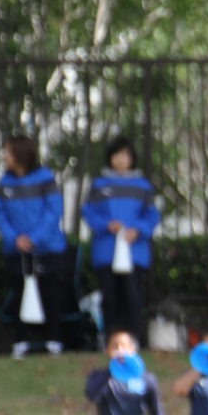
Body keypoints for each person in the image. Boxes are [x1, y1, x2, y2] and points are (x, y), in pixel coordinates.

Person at [82, 136, 161, 342]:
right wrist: (107, 224)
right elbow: (89, 212)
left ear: (132, 158)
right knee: (110, 296)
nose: (121, 160)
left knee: (132, 296)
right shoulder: (99, 185)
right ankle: (110, 337)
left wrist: (138, 230)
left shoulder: (143, 186)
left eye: (125, 155)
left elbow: (152, 215)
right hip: (106, 251)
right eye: (117, 155)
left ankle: (133, 338)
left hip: (134, 252)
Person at [0, 134, 69, 358]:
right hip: (16, 250)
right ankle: (21, 341)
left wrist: (35, 238)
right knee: (19, 291)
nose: (5, 156)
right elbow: (0, 215)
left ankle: (54, 339)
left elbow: (53, 211)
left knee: (50, 293)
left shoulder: (46, 178)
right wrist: (14, 238)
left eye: (9, 152)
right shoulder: (3, 183)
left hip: (48, 249)